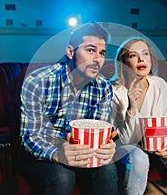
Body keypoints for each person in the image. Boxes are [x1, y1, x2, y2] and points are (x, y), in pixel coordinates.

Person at [18, 22, 118, 195]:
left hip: (82, 150)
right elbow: (30, 136)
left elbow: (98, 131)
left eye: (102, 53)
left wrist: (107, 146)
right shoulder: (37, 82)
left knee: (108, 169)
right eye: (90, 50)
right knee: (63, 176)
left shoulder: (104, 87)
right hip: (44, 152)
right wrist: (58, 154)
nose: (98, 59)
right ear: (71, 52)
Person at [110, 36, 167, 195]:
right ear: (123, 63)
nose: (141, 59)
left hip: (154, 141)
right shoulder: (115, 91)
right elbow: (124, 139)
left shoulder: (160, 84)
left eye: (145, 53)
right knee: (139, 157)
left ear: (151, 60)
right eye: (133, 55)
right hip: (125, 146)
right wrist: (132, 107)